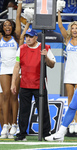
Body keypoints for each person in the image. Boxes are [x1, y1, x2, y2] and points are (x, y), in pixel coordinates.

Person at [10, 29, 56, 141]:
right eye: (26, 37)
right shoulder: (21, 49)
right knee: (23, 110)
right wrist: (13, 83)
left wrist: (45, 56)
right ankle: (21, 134)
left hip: (40, 84)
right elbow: (17, 66)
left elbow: (52, 64)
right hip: (25, 84)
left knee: (43, 110)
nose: (28, 39)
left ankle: (46, 133)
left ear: (36, 38)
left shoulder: (45, 47)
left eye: (30, 37)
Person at [58, 10, 77, 134]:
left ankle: (76, 121)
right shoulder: (67, 39)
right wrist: (58, 11)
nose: (74, 30)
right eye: (72, 28)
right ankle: (70, 121)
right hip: (69, 71)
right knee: (70, 98)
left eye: (76, 28)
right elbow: (60, 26)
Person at [0, 0, 22, 139]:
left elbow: (18, 17)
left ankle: (15, 123)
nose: (7, 26)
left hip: (15, 69)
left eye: (9, 25)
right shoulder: (0, 37)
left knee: (14, 96)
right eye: (5, 25)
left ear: (12, 27)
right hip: (3, 69)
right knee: (6, 95)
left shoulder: (16, 36)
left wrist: (19, 3)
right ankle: (6, 125)